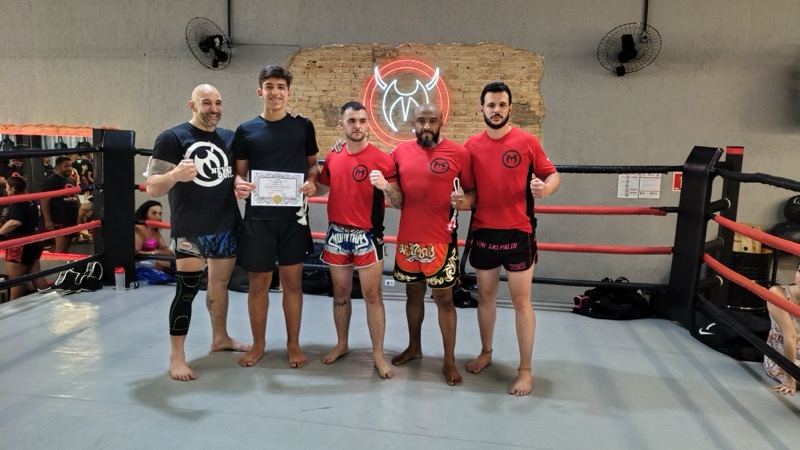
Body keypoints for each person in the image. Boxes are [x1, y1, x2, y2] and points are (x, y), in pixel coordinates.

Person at [454, 81, 560, 396]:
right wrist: (461, 201)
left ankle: (525, 371)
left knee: (521, 301)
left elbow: (552, 174)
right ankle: (486, 353)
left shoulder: (527, 142)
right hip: (484, 231)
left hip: (519, 232)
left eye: (502, 104)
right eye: (491, 105)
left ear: (510, 108)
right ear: (482, 109)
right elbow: (469, 192)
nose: (496, 110)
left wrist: (546, 188)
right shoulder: (471, 146)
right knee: (485, 297)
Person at [146, 83, 250, 381]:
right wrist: (174, 174)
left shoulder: (229, 138)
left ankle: (220, 338)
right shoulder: (172, 138)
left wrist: (239, 184)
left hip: (225, 225)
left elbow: (234, 175)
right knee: (187, 290)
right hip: (190, 229)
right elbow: (153, 187)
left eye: (218, 103)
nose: (214, 109)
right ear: (192, 105)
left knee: (220, 284)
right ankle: (177, 356)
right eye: (206, 103)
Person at [371, 103, 474, 386]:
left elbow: (473, 193)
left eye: (432, 120)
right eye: (420, 121)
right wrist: (342, 144)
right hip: (408, 240)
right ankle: (414, 347)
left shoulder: (459, 153)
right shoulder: (399, 153)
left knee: (445, 300)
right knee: (412, 296)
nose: (426, 126)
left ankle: (449, 360)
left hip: (441, 240)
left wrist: (464, 201)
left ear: (441, 122)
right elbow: (370, 159)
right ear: (412, 123)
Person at [233, 65, 319, 369]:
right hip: (258, 218)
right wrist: (238, 184)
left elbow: (313, 166)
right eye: (269, 86)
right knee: (258, 285)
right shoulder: (246, 130)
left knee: (292, 284)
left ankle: (293, 344)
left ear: (288, 93)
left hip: (293, 218)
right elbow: (238, 174)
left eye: (281, 87)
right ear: (260, 91)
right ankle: (258, 344)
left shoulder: (303, 126)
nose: (275, 92)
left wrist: (312, 181)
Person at [314, 101, 397, 379]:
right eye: (351, 121)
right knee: (340, 294)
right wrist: (302, 181)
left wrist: (385, 187)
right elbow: (321, 188)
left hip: (368, 235)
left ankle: (378, 355)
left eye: (362, 120)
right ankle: (342, 343)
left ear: (368, 123)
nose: (357, 126)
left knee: (373, 296)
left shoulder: (382, 159)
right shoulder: (334, 155)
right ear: (342, 124)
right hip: (337, 233)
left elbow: (399, 201)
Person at [0, 176, 49, 300]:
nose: (6, 190)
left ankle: (12, 308)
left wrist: (0, 232)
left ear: (13, 188)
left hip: (20, 243)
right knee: (35, 275)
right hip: (34, 240)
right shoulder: (30, 200)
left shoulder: (18, 202)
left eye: (7, 187)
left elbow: (15, 222)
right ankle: (50, 301)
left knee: (16, 280)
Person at [764, 264, 800, 396]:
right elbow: (790, 336)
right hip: (784, 359)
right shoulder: (778, 293)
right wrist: (789, 377)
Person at [40, 156, 79, 253]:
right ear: (58, 167)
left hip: (71, 220)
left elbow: (75, 197)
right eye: (66, 166)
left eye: (70, 166)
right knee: (60, 250)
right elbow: (44, 200)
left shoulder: (72, 180)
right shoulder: (51, 181)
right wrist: (48, 221)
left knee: (65, 249)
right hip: (59, 220)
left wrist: (78, 216)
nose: (69, 168)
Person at [134, 200, 173, 273]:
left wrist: (172, 253)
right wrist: (155, 252)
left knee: (176, 263)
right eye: (154, 213)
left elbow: (164, 248)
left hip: (152, 260)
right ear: (145, 214)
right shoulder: (139, 227)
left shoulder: (154, 229)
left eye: (160, 213)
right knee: (167, 265)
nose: (158, 217)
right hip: (139, 263)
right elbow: (136, 252)